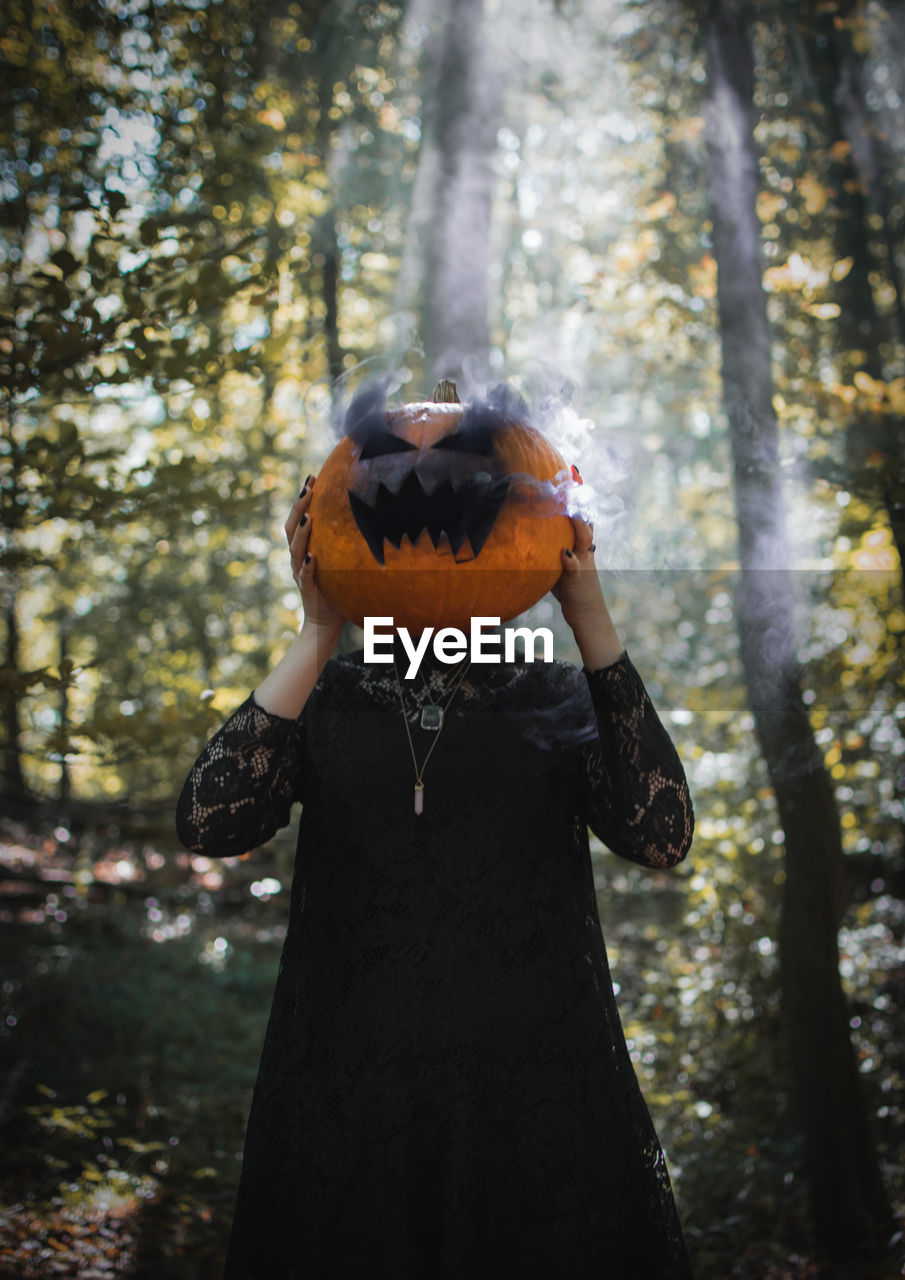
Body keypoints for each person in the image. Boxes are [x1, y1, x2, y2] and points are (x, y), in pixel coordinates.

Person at [176, 474, 696, 1279]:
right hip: (350, 1084)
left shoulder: (557, 697)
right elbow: (210, 824)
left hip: (534, 1087)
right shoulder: (330, 695)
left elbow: (660, 836)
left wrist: (587, 611)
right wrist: (316, 631)